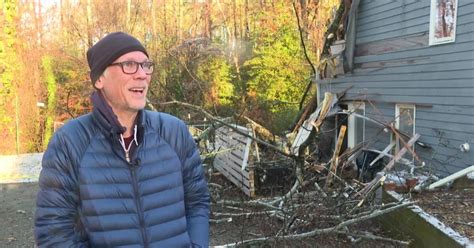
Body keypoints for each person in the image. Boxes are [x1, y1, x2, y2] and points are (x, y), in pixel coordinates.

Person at [34, 32, 210, 247]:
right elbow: (54, 231)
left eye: (146, 65)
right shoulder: (69, 142)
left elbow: (197, 201)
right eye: (129, 65)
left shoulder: (173, 132)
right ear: (99, 79)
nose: (142, 74)